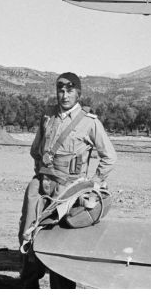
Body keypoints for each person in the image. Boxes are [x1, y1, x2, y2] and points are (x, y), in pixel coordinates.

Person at [19, 72, 117, 288]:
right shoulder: (48, 116)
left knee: (61, 243)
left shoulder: (89, 123)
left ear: (78, 93)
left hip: (68, 191)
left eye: (69, 91)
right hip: (42, 186)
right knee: (28, 236)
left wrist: (93, 186)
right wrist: (42, 173)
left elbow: (109, 157)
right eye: (60, 91)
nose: (64, 95)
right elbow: (36, 150)